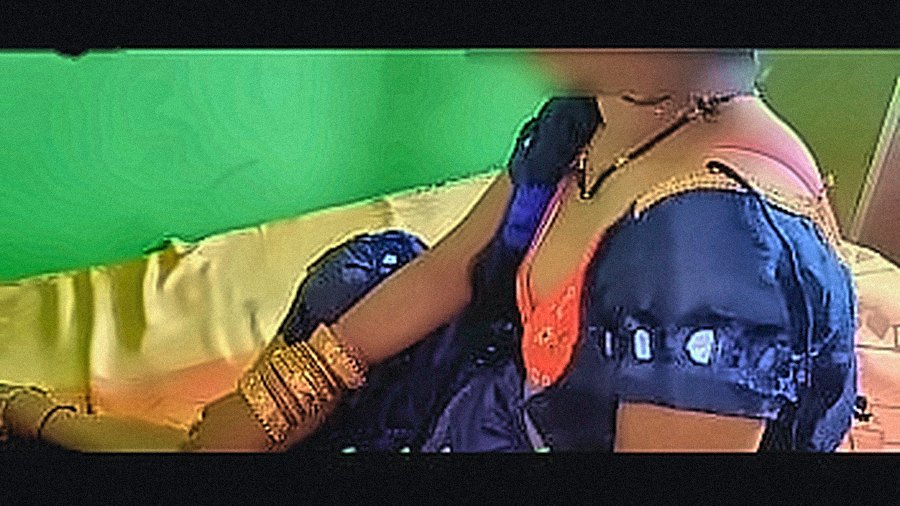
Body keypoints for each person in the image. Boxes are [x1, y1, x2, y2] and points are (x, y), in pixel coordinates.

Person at [0, 49, 857, 452]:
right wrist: (278, 402)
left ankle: (34, 417)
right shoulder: (600, 114)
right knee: (359, 285)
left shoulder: (714, 248)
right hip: (507, 388)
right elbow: (456, 266)